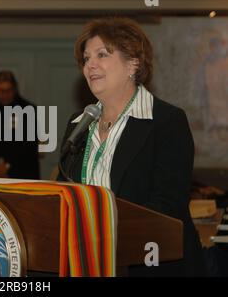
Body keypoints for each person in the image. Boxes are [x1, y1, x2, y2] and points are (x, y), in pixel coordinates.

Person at [57, 17, 205, 276]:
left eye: (102, 54)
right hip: (88, 262)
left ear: (133, 64)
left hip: (150, 265)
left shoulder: (166, 121)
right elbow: (64, 199)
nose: (90, 64)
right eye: (86, 58)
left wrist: (103, 231)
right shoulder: (78, 124)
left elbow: (166, 207)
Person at [0, 70, 40, 179]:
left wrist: (7, 166)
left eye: (8, 90)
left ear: (14, 90)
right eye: (1, 91)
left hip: (21, 172)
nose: (5, 95)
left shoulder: (27, 110)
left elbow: (30, 144)